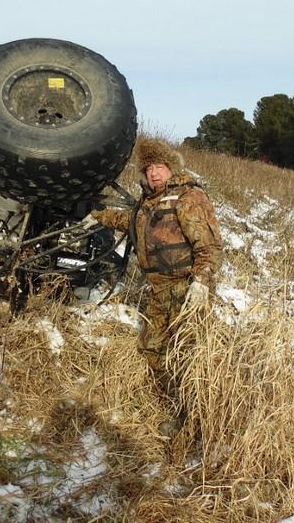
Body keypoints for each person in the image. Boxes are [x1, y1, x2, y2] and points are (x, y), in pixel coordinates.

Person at [84, 138, 222, 434]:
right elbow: (129, 221)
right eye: (148, 169)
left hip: (185, 290)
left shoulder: (188, 197)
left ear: (170, 168)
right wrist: (96, 216)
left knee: (186, 354)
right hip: (159, 291)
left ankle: (195, 419)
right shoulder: (149, 203)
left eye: (159, 167)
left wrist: (201, 283)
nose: (153, 174)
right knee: (153, 348)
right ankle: (173, 405)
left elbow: (209, 247)